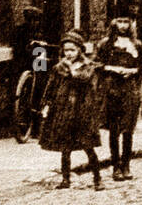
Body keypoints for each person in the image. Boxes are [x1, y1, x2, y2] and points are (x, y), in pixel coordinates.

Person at [39, 31, 103, 190]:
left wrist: (71, 69)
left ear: (80, 50)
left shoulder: (87, 66)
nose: (69, 54)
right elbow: (51, 88)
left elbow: (84, 79)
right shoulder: (58, 68)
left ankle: (97, 178)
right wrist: (46, 105)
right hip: (64, 111)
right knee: (65, 148)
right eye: (66, 50)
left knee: (88, 146)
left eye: (72, 50)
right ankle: (65, 179)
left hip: (82, 111)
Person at [96, 5, 142, 181]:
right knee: (114, 130)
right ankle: (115, 166)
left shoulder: (137, 45)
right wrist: (113, 68)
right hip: (112, 90)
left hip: (131, 90)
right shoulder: (106, 44)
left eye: (126, 21)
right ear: (114, 22)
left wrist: (133, 72)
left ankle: (126, 165)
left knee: (128, 129)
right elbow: (96, 65)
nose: (123, 25)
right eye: (120, 21)